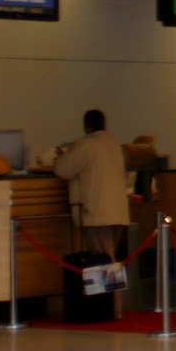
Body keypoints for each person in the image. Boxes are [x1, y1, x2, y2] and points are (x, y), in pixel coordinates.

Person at [52, 109, 130, 262]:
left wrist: (60, 156)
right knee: (109, 256)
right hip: (119, 212)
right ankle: (114, 286)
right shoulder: (114, 143)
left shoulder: (86, 144)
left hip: (98, 213)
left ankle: (111, 287)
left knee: (102, 260)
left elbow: (62, 169)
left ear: (86, 126)